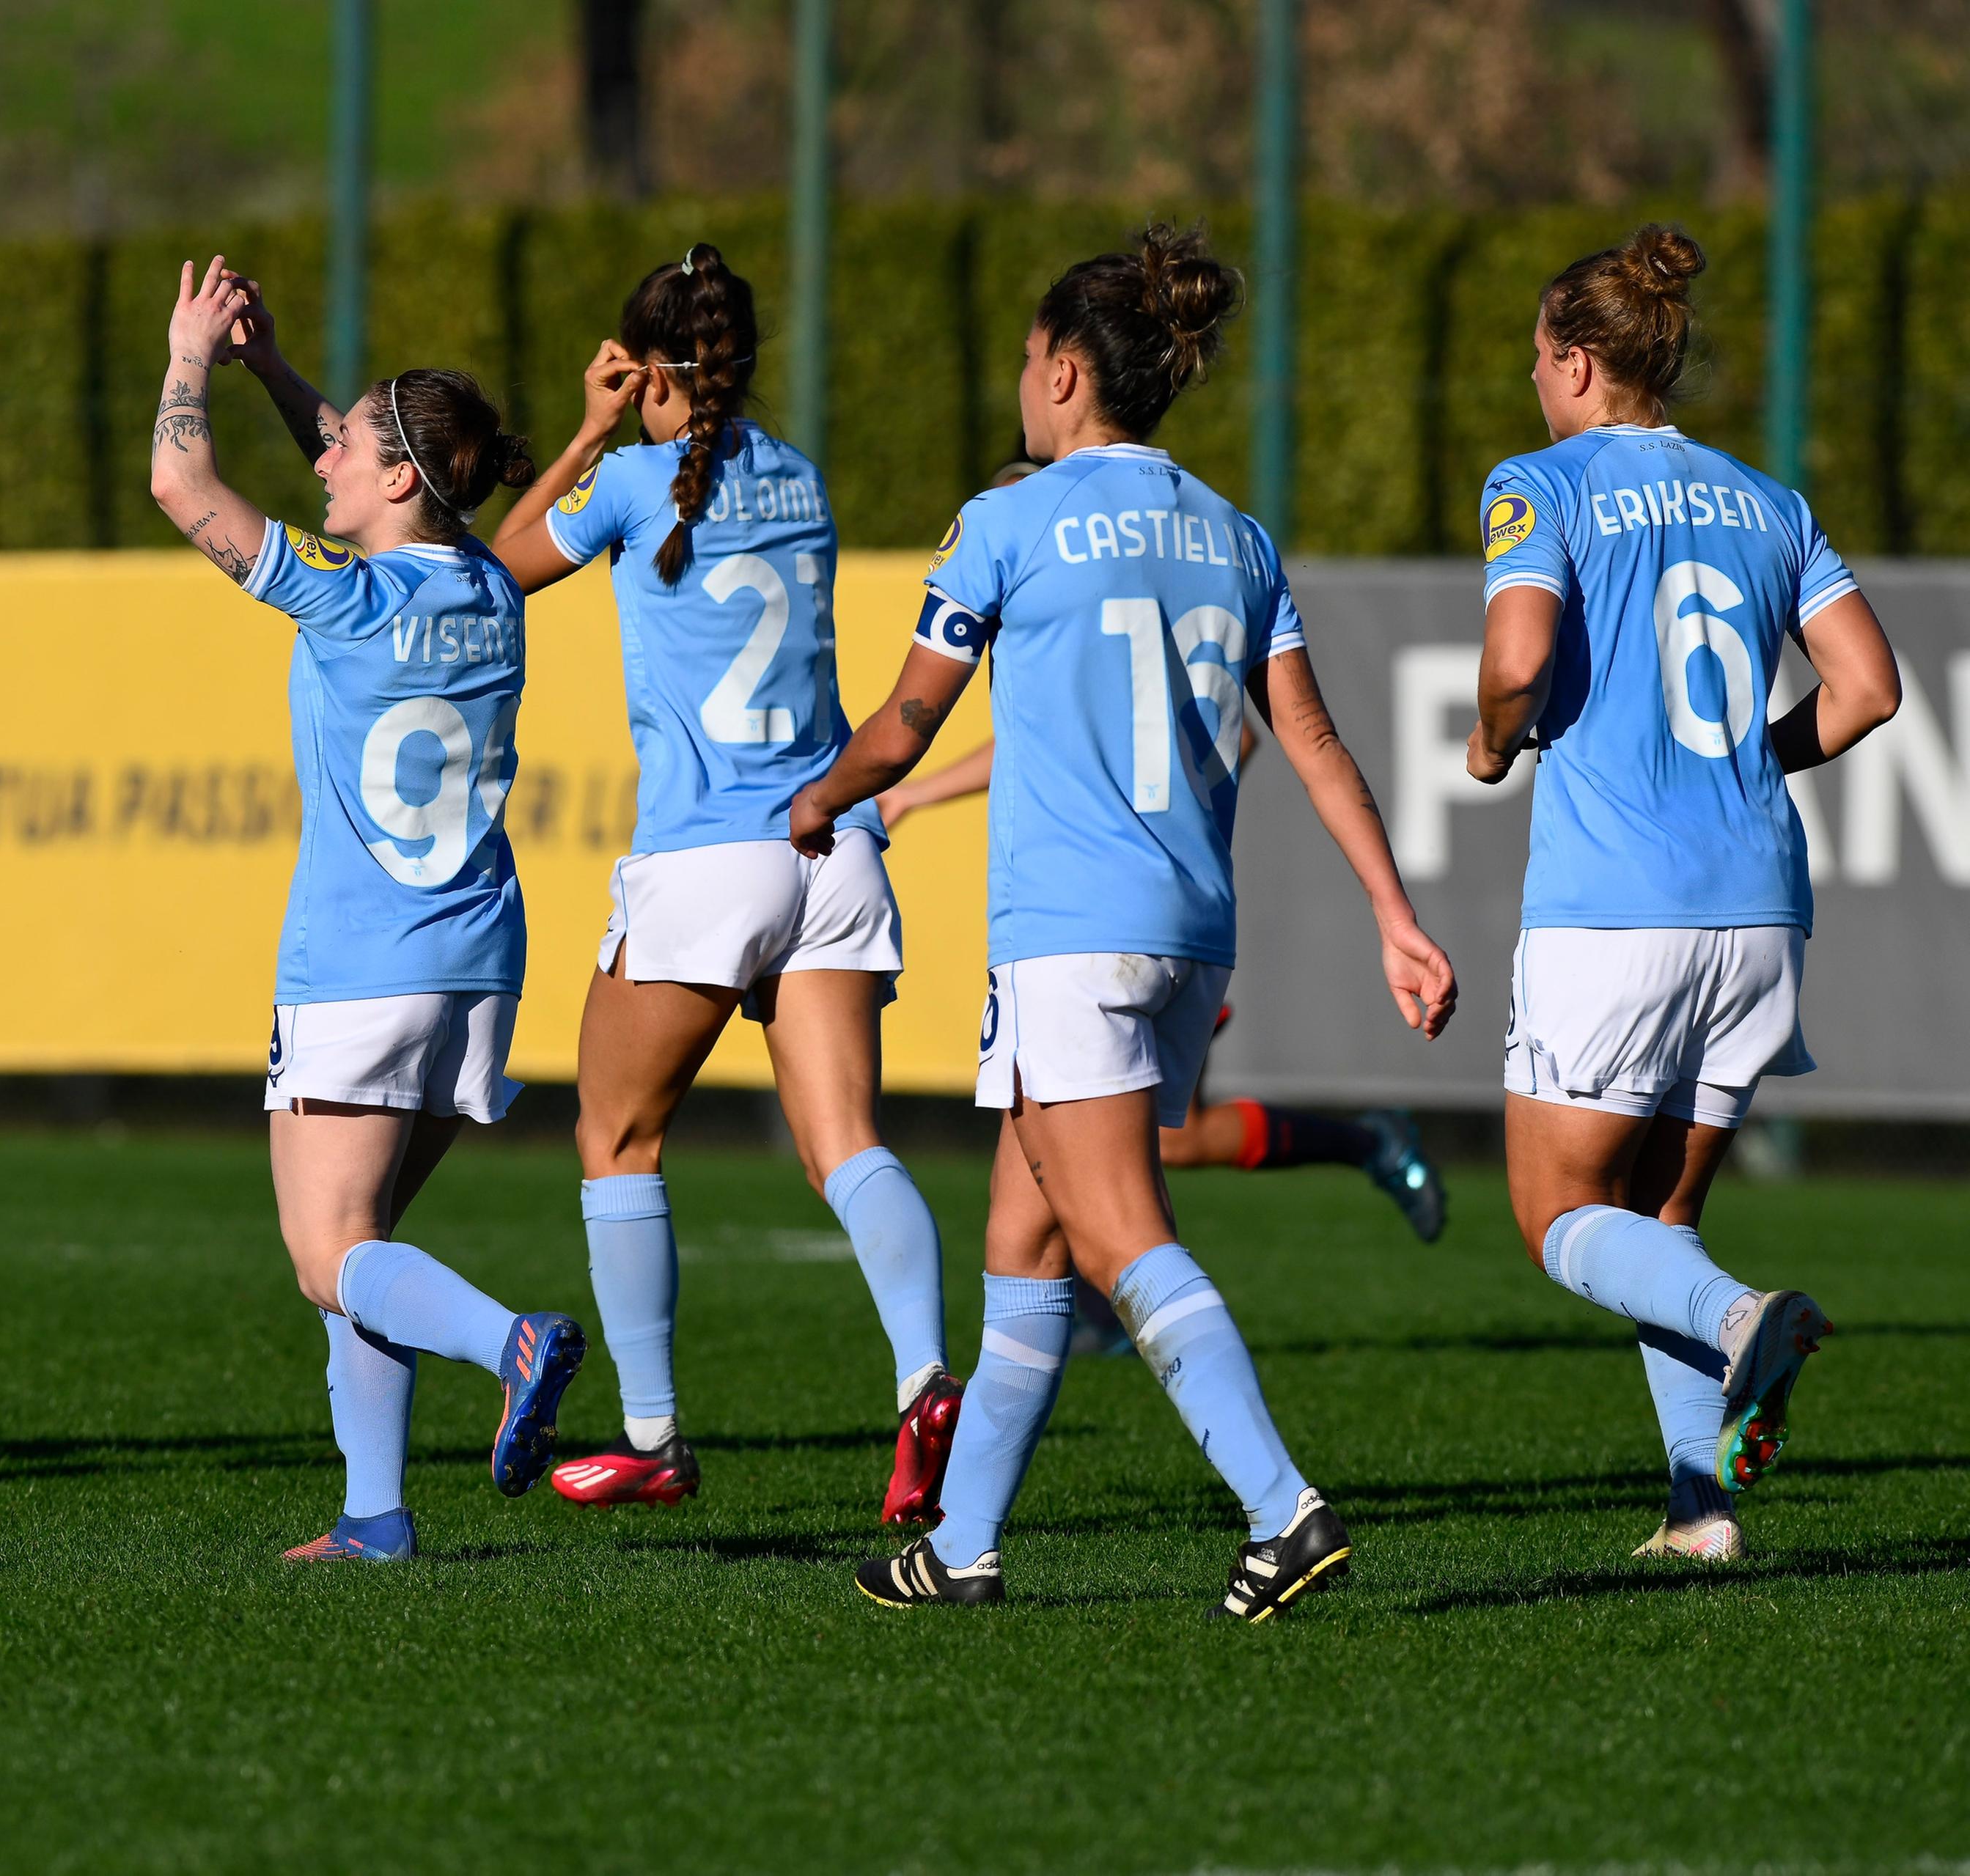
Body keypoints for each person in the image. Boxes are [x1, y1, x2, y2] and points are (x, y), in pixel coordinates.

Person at [793, 225, 1458, 1620]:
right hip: (1189, 929)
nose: (1021, 383)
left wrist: (817, 800)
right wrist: (1395, 915)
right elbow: (1313, 739)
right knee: (1027, 1240)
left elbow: (908, 718)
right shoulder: (1235, 532)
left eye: (1028, 360)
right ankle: (961, 1544)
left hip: (1070, 931)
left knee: (1115, 1234)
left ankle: (1284, 1509)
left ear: (1064, 373)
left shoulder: (1009, 520)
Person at [491, 244, 961, 1525]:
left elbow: (498, 566)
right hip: (833, 847)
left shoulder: (632, 484)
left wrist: (587, 431)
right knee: (846, 1144)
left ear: (651, 370)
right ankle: (925, 1373)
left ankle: (653, 1434)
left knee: (616, 1136)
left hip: (710, 859)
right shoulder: (803, 478)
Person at [1466, 224, 1899, 1563]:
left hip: (1616, 906)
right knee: (1660, 1215)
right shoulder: (1770, 501)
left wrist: (1489, 742)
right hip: (1761, 900)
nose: (1534, 380)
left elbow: (1517, 661)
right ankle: (1699, 1509)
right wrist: (1747, 758)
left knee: (1558, 1216)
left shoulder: (1538, 483)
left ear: (1578, 363)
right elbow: (1870, 688)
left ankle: (1739, 1317)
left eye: (1539, 357)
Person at [147, 257, 585, 1563]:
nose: (322, 453)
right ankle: (374, 1516)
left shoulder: (346, 597)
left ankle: (510, 1340)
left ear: (401, 479)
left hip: (358, 964)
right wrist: (277, 373)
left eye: (346, 442)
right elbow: (390, 487)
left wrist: (192, 355)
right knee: (369, 1241)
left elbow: (179, 482)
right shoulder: (492, 589)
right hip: (478, 960)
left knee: (324, 1254)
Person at [882, 732, 1448, 1257]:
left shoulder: (1124, 669)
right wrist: (917, 793)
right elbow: (1041, 734)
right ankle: (1369, 1143)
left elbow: (1235, 734)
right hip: (1126, 927)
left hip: (1132, 927)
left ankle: (1130, 1308)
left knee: (1090, 1143)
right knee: (1116, 1138)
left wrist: (1163, 819)